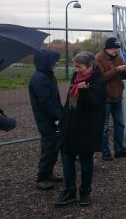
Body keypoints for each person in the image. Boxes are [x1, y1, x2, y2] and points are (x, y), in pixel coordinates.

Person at [54, 52, 106, 207]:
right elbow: (70, 102)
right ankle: (69, 191)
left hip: (86, 130)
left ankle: (85, 192)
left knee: (85, 162)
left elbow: (94, 104)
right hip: (70, 128)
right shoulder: (76, 79)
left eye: (79, 66)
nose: (76, 70)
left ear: (90, 67)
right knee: (67, 160)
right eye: (75, 66)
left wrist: (84, 91)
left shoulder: (98, 82)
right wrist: (62, 120)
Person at [28, 50, 63, 190]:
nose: (56, 64)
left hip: (51, 117)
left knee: (54, 147)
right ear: (47, 62)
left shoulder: (47, 75)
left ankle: (48, 173)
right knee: (49, 147)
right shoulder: (39, 78)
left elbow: (54, 98)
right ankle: (42, 177)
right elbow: (45, 102)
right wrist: (57, 117)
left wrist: (61, 113)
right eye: (54, 61)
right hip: (46, 119)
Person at [95, 37, 126, 161]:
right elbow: (100, 78)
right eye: (113, 48)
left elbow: (122, 77)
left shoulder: (118, 58)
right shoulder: (98, 59)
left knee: (120, 124)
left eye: (117, 48)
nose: (116, 51)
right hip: (105, 97)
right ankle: (105, 152)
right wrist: (116, 70)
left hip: (117, 95)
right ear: (107, 48)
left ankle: (120, 149)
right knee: (104, 127)